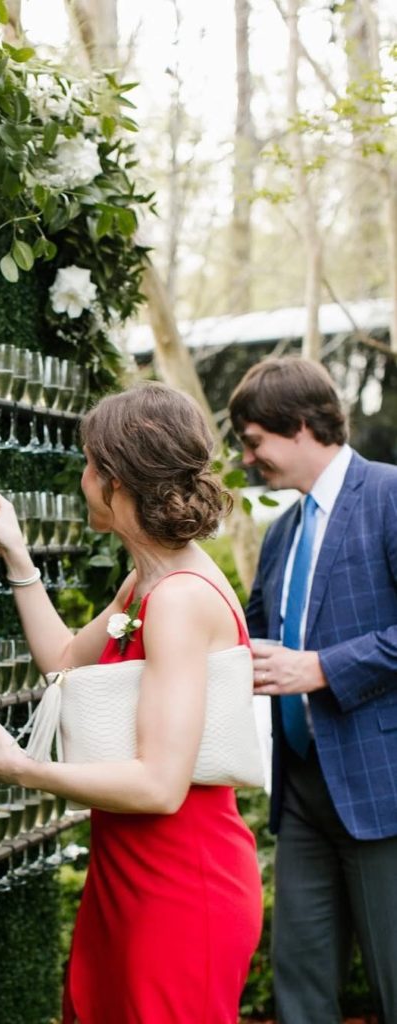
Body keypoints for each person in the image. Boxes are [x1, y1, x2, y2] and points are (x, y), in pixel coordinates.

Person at [0, 381, 263, 1024]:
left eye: (91, 463)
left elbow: (159, 786)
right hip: (123, 871)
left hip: (181, 886)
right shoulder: (147, 579)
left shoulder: (178, 599)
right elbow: (65, 661)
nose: (84, 476)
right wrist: (17, 554)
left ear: (117, 481)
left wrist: (24, 769)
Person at [229, 356, 397, 1024]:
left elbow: (311, 660)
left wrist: (322, 667)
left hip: (381, 794)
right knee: (297, 995)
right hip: (299, 794)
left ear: (297, 426)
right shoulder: (280, 534)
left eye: (252, 442)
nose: (246, 461)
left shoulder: (388, 495)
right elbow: (250, 637)